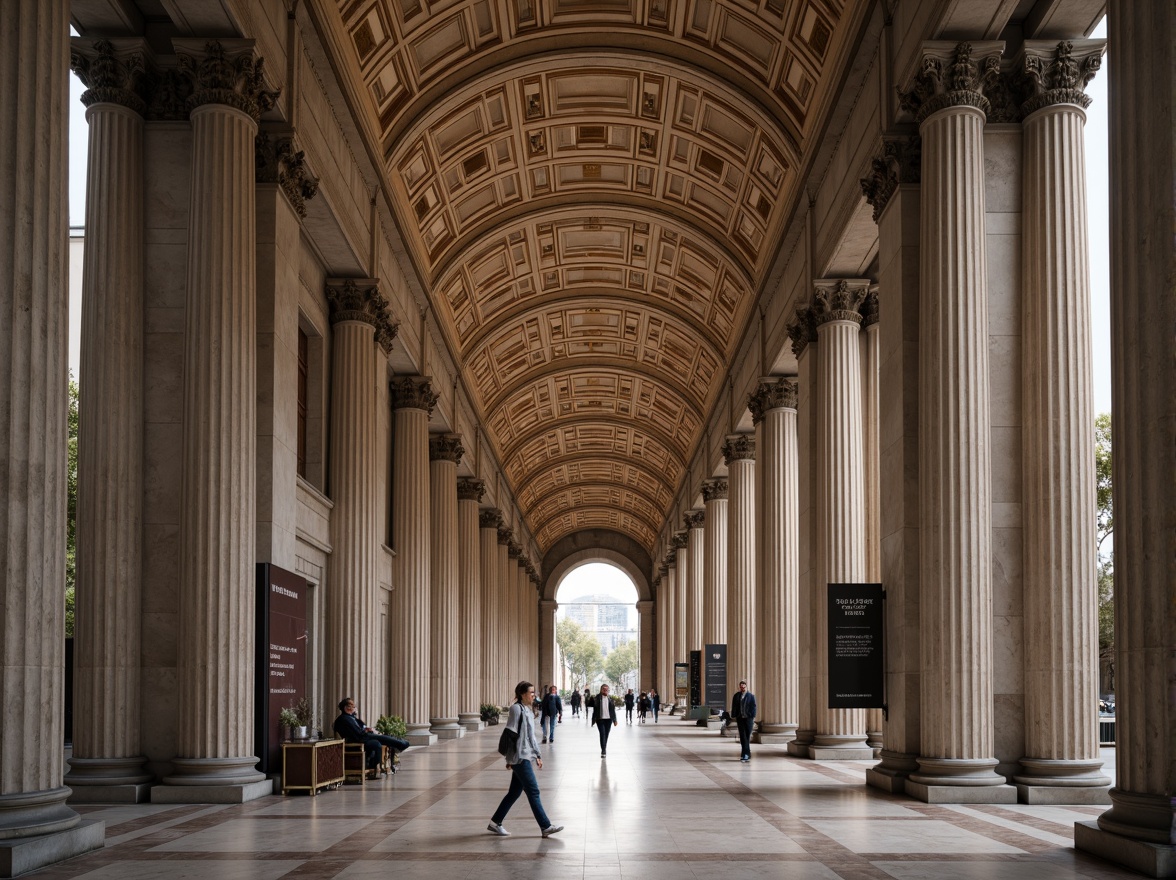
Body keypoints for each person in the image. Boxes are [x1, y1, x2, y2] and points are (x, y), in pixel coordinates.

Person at [487, 681, 563, 838]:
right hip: (520, 757)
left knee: (514, 792)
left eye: (534, 692)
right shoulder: (516, 709)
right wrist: (510, 759)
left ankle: (495, 822)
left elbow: (531, 736)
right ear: (522, 694)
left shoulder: (528, 710)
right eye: (531, 692)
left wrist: (538, 754)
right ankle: (545, 826)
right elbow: (510, 734)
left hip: (526, 755)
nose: (533, 695)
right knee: (533, 791)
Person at [333, 697, 408, 774]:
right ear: (347, 708)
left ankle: (398, 745)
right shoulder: (344, 719)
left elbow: (358, 729)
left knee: (379, 740)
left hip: (361, 737)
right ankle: (400, 744)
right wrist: (366, 731)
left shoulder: (350, 718)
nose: (355, 709)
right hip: (358, 740)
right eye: (353, 707)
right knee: (380, 740)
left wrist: (367, 730)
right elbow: (357, 733)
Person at [730, 679, 757, 762]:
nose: (742, 688)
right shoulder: (736, 696)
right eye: (741, 687)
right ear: (740, 687)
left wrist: (751, 715)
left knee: (747, 736)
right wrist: (734, 715)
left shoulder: (751, 696)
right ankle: (746, 754)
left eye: (744, 686)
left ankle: (745, 753)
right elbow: (734, 706)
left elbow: (753, 707)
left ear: (746, 686)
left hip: (748, 719)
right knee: (743, 736)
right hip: (740, 718)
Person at [592, 684, 619, 756]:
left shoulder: (610, 699)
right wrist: (593, 719)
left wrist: (615, 720)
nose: (605, 690)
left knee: (606, 734)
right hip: (600, 719)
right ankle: (603, 750)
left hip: (609, 720)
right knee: (602, 734)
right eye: (604, 689)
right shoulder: (597, 698)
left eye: (607, 689)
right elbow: (594, 710)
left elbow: (613, 711)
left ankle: (604, 747)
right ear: (601, 690)